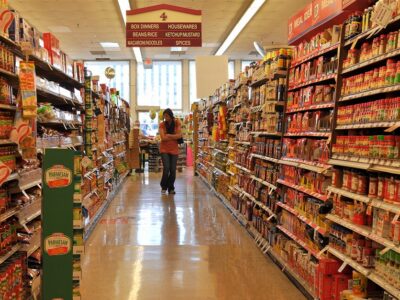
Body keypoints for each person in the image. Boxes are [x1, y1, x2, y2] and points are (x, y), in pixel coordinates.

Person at [159, 108, 182, 195]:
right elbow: (163, 138)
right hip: (164, 149)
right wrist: (174, 136)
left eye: (167, 116)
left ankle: (171, 188)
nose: (165, 118)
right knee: (166, 168)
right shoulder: (162, 125)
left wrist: (168, 135)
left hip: (174, 150)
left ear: (171, 115)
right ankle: (164, 187)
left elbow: (179, 136)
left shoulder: (177, 123)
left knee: (173, 170)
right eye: (164, 116)